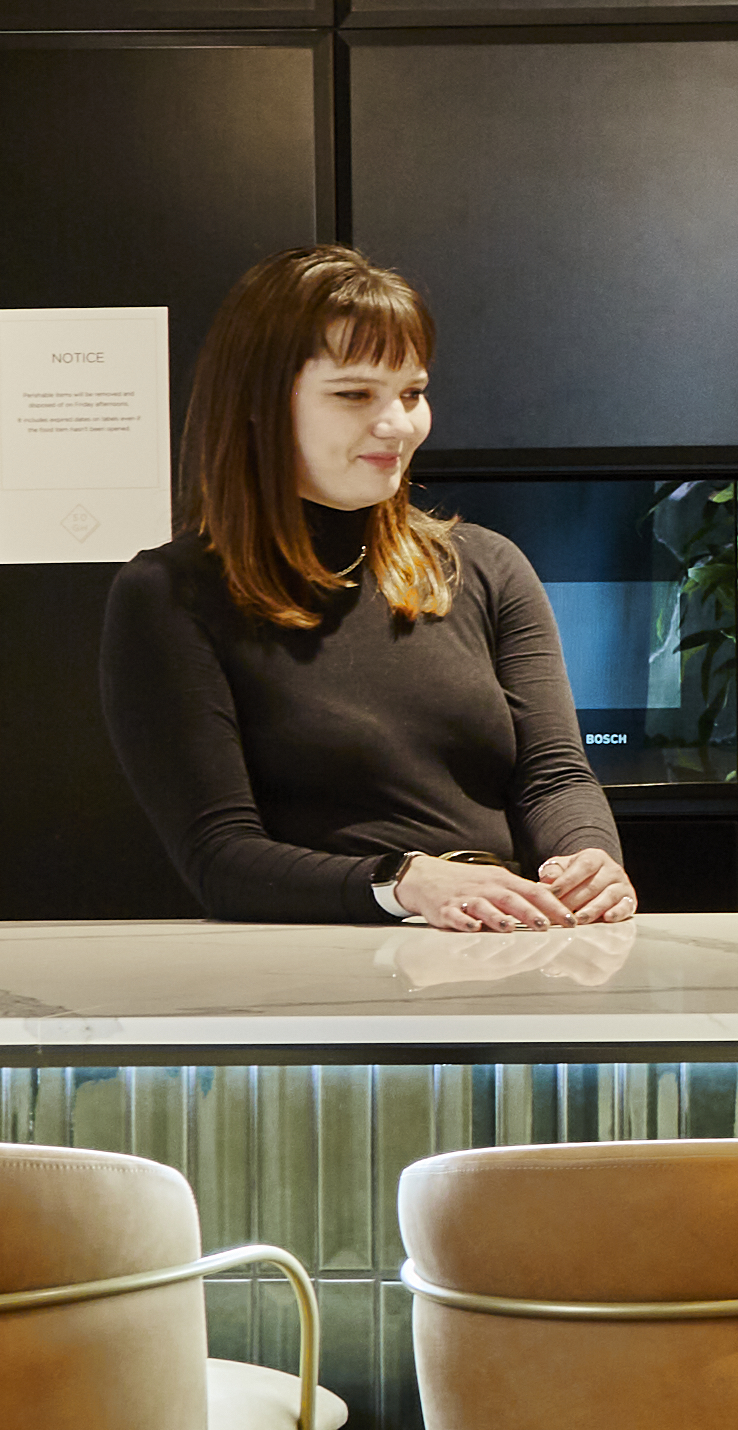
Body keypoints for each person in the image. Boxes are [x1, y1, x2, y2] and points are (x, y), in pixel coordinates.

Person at [99, 247, 634, 928]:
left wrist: (588, 860)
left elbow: (555, 777)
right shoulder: (170, 595)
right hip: (313, 990)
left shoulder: (488, 566)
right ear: (258, 404)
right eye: (354, 394)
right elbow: (220, 858)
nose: (397, 424)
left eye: (411, 393)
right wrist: (402, 883)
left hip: (508, 956)